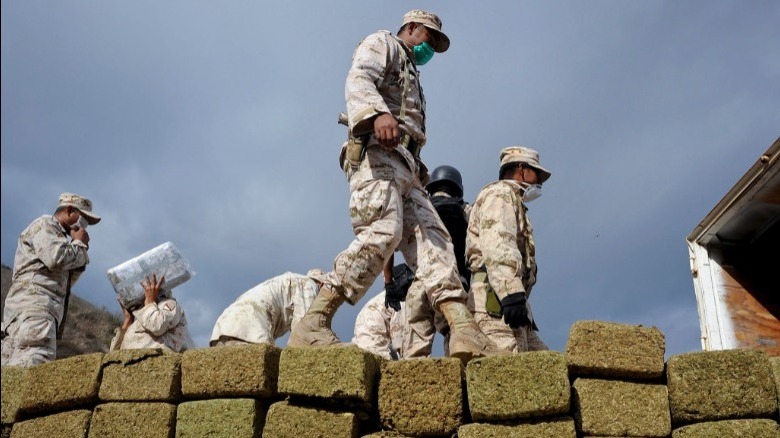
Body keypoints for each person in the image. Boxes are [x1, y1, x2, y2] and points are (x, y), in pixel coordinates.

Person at [288, 10, 499, 363]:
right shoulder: (382, 43)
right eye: (428, 39)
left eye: (434, 44)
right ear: (411, 27)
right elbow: (359, 78)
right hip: (377, 153)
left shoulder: (411, 72)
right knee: (382, 232)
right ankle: (314, 321)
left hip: (407, 167)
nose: (429, 48)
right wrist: (376, 113)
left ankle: (463, 329)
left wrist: (418, 168)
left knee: (436, 242)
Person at [466, 146, 551, 352]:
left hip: (510, 304)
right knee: (509, 373)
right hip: (495, 305)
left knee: (546, 370)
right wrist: (511, 294)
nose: (538, 182)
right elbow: (498, 243)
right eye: (536, 174)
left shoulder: (513, 200)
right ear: (521, 169)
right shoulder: (500, 194)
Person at [1, 192, 100, 366]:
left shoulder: (60, 238)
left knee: (11, 371)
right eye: (83, 219)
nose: (84, 226)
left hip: (32, 312)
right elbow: (56, 259)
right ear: (69, 211)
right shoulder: (46, 224)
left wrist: (79, 252)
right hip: (35, 310)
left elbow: (63, 284)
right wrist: (79, 244)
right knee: (34, 364)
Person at [209, 270, 323, 347]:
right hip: (251, 324)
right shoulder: (309, 284)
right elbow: (303, 326)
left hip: (224, 325)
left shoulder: (290, 281)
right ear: (321, 284)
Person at [111, 273, 192, 352]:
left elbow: (157, 326)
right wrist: (128, 320)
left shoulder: (170, 305)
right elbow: (114, 355)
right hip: (131, 364)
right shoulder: (143, 312)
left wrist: (150, 302)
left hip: (154, 362)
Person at [351, 263, 413, 360]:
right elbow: (400, 342)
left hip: (359, 348)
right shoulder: (398, 302)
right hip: (377, 351)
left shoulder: (378, 299)